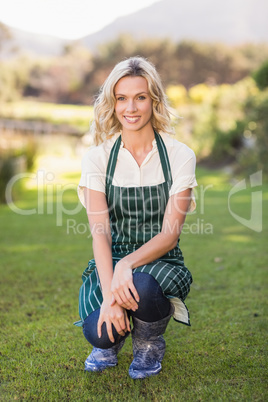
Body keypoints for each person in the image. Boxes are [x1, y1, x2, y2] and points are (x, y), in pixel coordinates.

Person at [74, 56, 197, 379]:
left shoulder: (179, 155)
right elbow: (100, 233)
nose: (131, 108)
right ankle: (114, 337)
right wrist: (111, 291)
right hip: (110, 260)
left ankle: (148, 340)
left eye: (140, 97)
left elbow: (170, 234)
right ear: (112, 104)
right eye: (122, 98)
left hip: (161, 260)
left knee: (141, 285)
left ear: (153, 100)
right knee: (98, 333)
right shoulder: (98, 157)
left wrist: (128, 266)